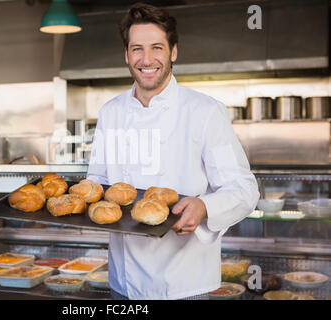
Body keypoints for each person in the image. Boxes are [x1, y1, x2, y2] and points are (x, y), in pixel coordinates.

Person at [86, 3, 259, 300]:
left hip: (185, 286)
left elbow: (244, 190)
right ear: (127, 55)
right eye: (137, 49)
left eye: (157, 47)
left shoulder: (205, 112)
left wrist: (204, 207)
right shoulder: (110, 113)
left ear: (173, 52)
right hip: (123, 285)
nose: (147, 59)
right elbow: (96, 185)